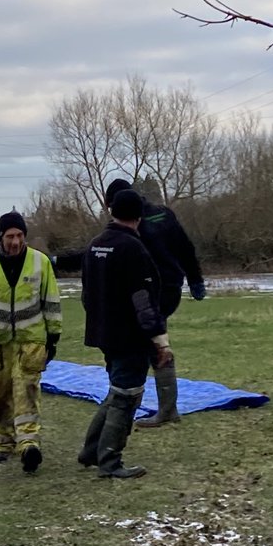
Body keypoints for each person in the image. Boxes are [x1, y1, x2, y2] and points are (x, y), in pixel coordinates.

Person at [53, 177, 206, 427]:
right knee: (151, 338)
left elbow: (94, 251)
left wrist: (58, 261)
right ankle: (162, 403)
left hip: (153, 291)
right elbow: (186, 249)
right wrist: (195, 280)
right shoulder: (163, 214)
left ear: (116, 204)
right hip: (169, 289)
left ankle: (132, 395)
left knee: (141, 342)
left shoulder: (132, 225)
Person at [78, 188, 172, 479]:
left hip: (103, 333)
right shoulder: (133, 248)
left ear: (112, 211)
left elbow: (86, 294)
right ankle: (110, 461)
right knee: (127, 395)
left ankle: (91, 451)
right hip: (130, 336)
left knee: (116, 390)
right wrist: (160, 341)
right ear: (139, 216)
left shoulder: (95, 246)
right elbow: (143, 300)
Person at [0, 210, 63, 472]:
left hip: (31, 341)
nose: (15, 241)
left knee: (27, 392)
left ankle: (29, 443)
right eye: (10, 236)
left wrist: (53, 337)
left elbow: (51, 302)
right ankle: (3, 442)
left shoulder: (41, 263)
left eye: (19, 236)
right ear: (0, 237)